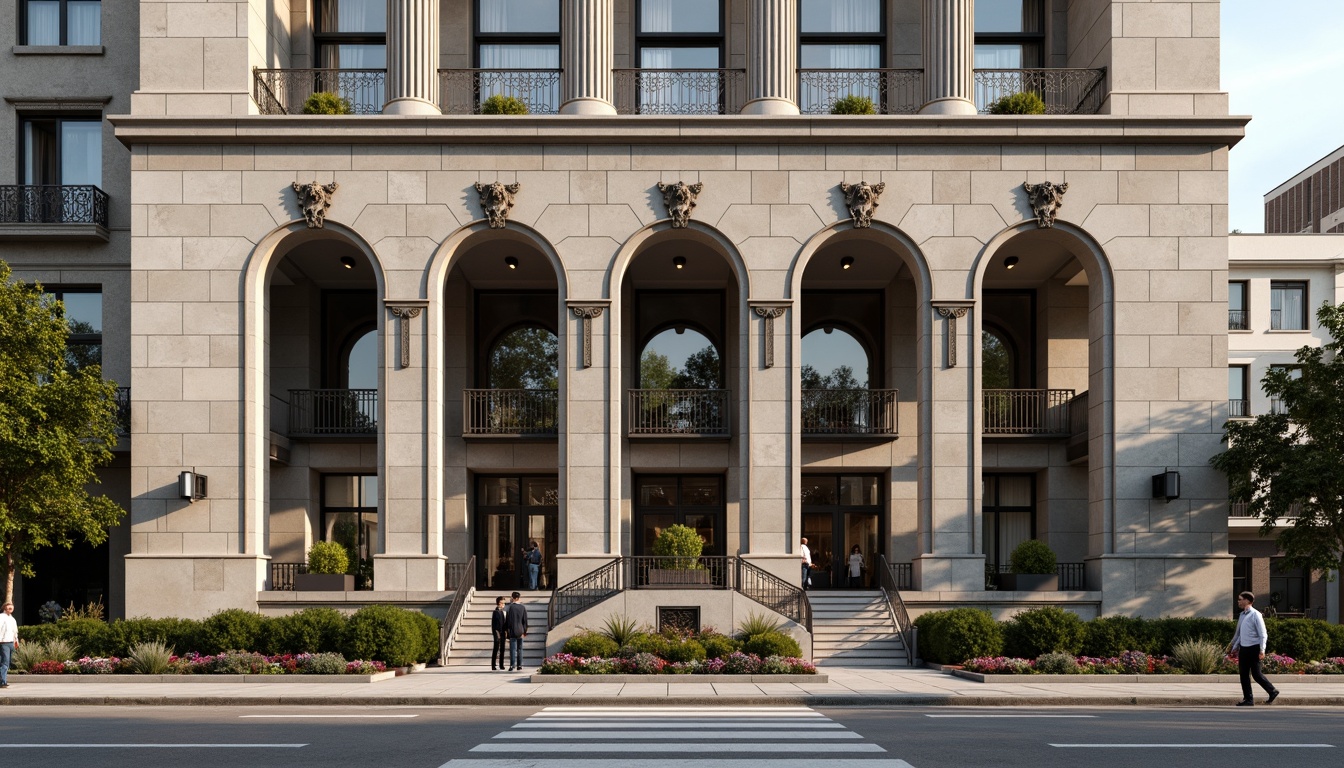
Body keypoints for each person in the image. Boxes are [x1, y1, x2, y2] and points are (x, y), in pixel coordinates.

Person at [1228, 590, 1279, 706]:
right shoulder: (1242, 615)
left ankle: (1272, 691)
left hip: (1254, 648)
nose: (1238, 602)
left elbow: (1263, 634)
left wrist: (1262, 650)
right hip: (1244, 648)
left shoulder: (1256, 614)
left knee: (1256, 674)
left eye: (1240, 599)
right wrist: (1232, 647)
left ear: (1247, 601)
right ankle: (1248, 699)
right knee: (1244, 674)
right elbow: (1238, 634)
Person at [505, 591, 528, 671]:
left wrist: (507, 630)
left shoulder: (510, 607)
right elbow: (525, 620)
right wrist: (524, 631)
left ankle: (512, 665)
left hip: (512, 630)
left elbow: (508, 620)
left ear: (513, 598)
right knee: (520, 649)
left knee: (512, 649)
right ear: (518, 598)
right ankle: (519, 665)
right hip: (520, 630)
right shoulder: (522, 607)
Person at [0, 602, 18, 688]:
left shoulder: (12, 619)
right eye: (9, 608)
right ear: (5, 608)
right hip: (4, 642)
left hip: (11, 642)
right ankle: (3, 681)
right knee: (5, 662)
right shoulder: (1, 617)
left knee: (8, 662)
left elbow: (15, 631)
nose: (10, 609)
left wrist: (16, 641)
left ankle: (2, 679)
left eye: (11, 608)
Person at [490, 596, 509, 671]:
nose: (504, 604)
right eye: (503, 603)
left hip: (503, 632)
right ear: (499, 603)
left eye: (504, 603)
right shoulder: (495, 612)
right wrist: (495, 633)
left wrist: (506, 631)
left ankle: (501, 664)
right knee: (496, 648)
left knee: (502, 649)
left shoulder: (504, 612)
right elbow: (494, 625)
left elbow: (505, 622)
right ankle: (493, 664)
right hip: (497, 632)